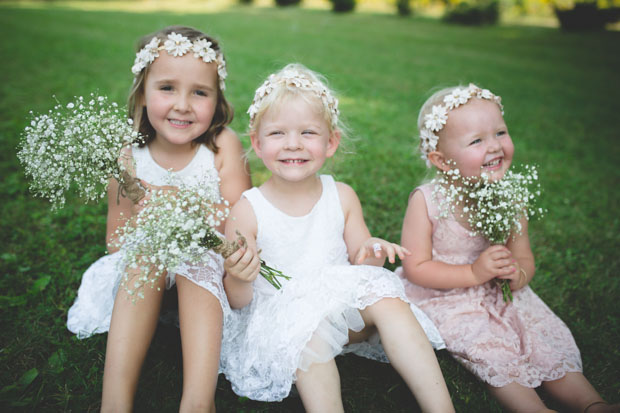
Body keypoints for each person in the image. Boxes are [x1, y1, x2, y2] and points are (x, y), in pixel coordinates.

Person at [220, 63, 453, 412]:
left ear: (331, 143)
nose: (293, 144)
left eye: (308, 133)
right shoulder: (248, 209)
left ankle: (441, 407)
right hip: (286, 320)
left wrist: (373, 249)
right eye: (278, 133)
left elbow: (362, 261)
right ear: (256, 142)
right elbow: (239, 300)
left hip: (338, 306)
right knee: (308, 338)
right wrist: (239, 274)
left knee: (389, 301)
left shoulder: (341, 195)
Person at [396, 83, 618, 413]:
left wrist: (519, 274)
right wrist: (473, 272)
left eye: (500, 132)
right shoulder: (427, 201)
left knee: (542, 338)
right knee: (492, 349)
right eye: (477, 140)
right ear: (441, 160)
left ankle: (592, 404)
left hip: (500, 292)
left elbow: (523, 254)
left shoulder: (509, 197)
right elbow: (417, 268)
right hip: (447, 296)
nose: (495, 147)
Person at [66, 26, 251, 411]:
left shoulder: (222, 146)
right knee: (145, 256)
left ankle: (198, 402)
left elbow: (237, 222)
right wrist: (152, 220)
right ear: (142, 91)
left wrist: (184, 209)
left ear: (217, 101)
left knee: (197, 260)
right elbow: (116, 239)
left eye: (199, 92)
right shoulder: (129, 155)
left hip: (205, 263)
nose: (182, 104)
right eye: (167, 87)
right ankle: (114, 401)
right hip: (141, 268)